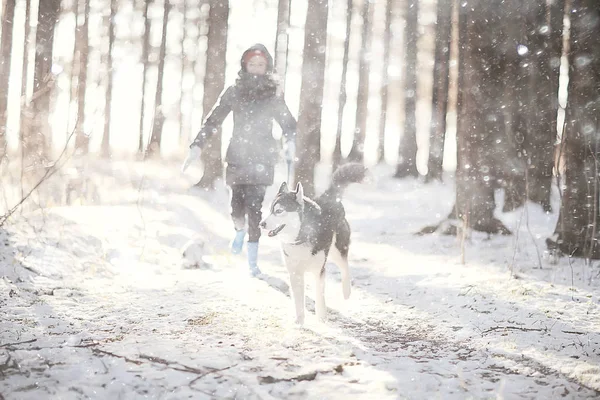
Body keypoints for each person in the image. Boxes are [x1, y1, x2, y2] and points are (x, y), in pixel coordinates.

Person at [182, 44, 297, 277]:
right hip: (237, 157)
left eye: (261, 65)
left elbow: (288, 124)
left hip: (263, 158)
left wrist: (289, 142)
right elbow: (213, 120)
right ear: (245, 65)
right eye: (252, 64)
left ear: (267, 67)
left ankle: (253, 261)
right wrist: (196, 146)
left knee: (255, 209)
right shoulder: (233, 91)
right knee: (236, 208)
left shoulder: (272, 94)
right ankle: (238, 230)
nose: (256, 68)